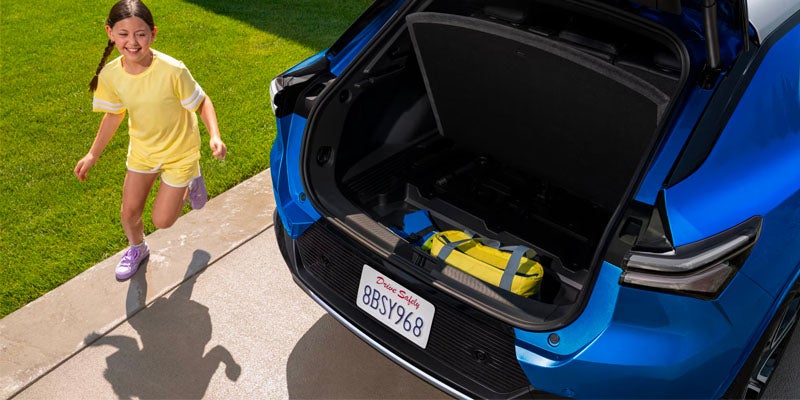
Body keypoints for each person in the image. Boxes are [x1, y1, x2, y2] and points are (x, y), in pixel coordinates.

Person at [74, 0, 227, 281]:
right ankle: (137, 248)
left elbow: (202, 101)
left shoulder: (173, 70)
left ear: (153, 34)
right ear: (110, 33)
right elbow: (113, 115)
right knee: (129, 211)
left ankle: (192, 176)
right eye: (123, 34)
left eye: (140, 34)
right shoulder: (110, 75)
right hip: (143, 152)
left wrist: (214, 136)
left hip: (181, 152)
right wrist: (92, 154)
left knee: (163, 221)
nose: (132, 42)